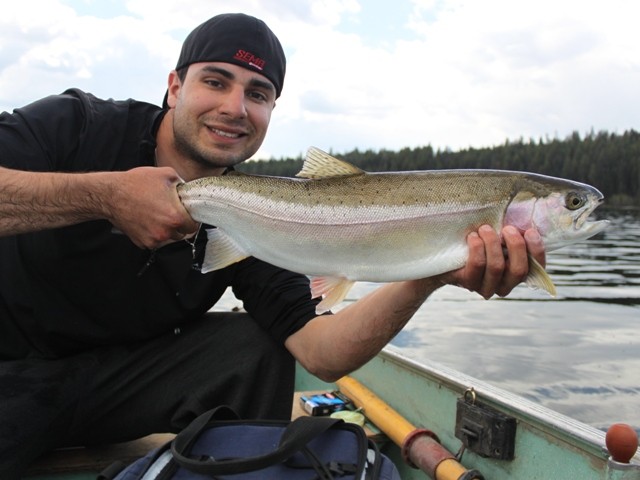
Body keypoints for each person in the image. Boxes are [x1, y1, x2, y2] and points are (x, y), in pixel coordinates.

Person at [0, 13, 545, 478]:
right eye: (216, 81)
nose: (236, 107)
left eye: (257, 94)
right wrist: (105, 195)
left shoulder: (261, 214)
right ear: (173, 86)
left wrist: (430, 271)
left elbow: (321, 353)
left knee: (255, 345)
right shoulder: (77, 125)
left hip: (117, 386)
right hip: (12, 368)